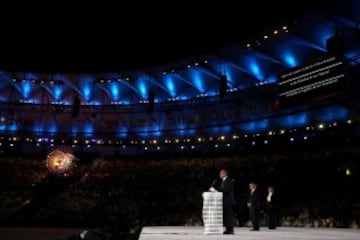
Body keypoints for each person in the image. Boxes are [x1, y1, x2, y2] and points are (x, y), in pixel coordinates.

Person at [210, 168, 236, 234]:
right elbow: (221, 189)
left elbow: (225, 190)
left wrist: (215, 189)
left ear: (225, 173)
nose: (220, 174)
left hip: (228, 201)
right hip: (224, 201)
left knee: (229, 216)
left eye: (221, 173)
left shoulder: (229, 180)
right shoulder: (223, 181)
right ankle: (228, 229)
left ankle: (230, 230)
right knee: (226, 216)